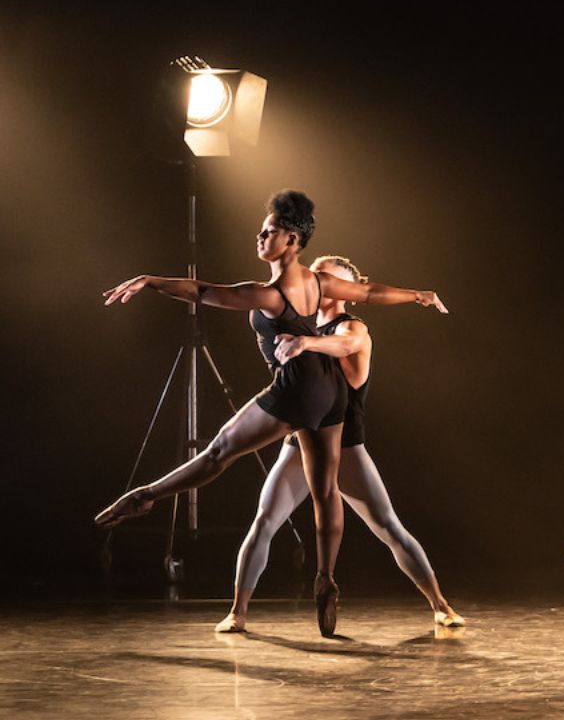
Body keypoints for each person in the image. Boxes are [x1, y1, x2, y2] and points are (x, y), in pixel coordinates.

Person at [96, 190, 448, 637]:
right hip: (326, 401)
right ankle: (325, 577)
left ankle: (149, 493)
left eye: (272, 231)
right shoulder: (319, 285)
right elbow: (371, 291)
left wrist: (151, 281)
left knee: (220, 451)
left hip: (298, 393)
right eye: (263, 229)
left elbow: (205, 292)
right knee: (323, 495)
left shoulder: (272, 295)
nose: (261, 235)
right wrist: (417, 294)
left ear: (293, 240)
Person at [215, 254, 466, 634]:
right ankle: (238, 612)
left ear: (344, 288)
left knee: (387, 525)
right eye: (314, 274)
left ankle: (441, 606)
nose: (315, 280)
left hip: (344, 444)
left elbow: (345, 346)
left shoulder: (352, 326)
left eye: (325, 276)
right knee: (265, 520)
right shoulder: (297, 321)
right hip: (300, 440)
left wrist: (305, 343)